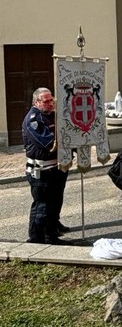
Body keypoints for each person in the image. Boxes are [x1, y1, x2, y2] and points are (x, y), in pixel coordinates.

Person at [22, 88, 69, 244]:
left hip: (57, 168)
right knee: (42, 206)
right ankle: (36, 239)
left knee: (55, 203)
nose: (50, 104)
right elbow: (49, 143)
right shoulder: (33, 119)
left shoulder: (53, 116)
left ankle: (51, 234)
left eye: (51, 100)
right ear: (36, 102)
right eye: (46, 101)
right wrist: (68, 140)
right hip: (41, 171)